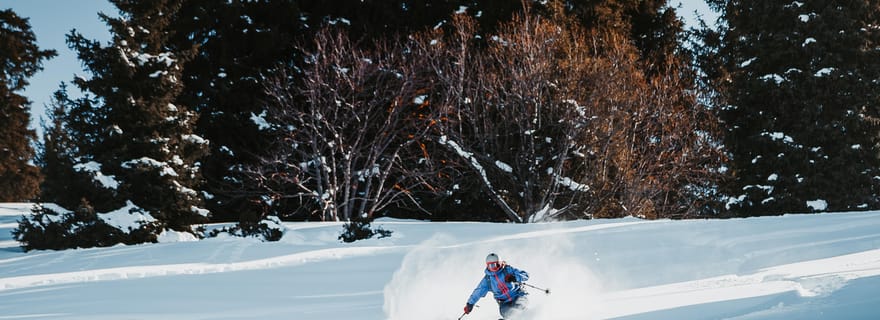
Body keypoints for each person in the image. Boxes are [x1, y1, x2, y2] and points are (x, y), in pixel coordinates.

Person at [463, 253, 529, 319]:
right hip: (504, 302)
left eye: (495, 265)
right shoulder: (488, 280)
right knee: (508, 313)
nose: (494, 268)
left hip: (518, 295)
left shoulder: (508, 270)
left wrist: (514, 277)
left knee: (519, 307)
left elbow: (526, 275)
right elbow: (478, 292)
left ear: (500, 263)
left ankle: (526, 316)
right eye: (491, 266)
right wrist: (470, 304)